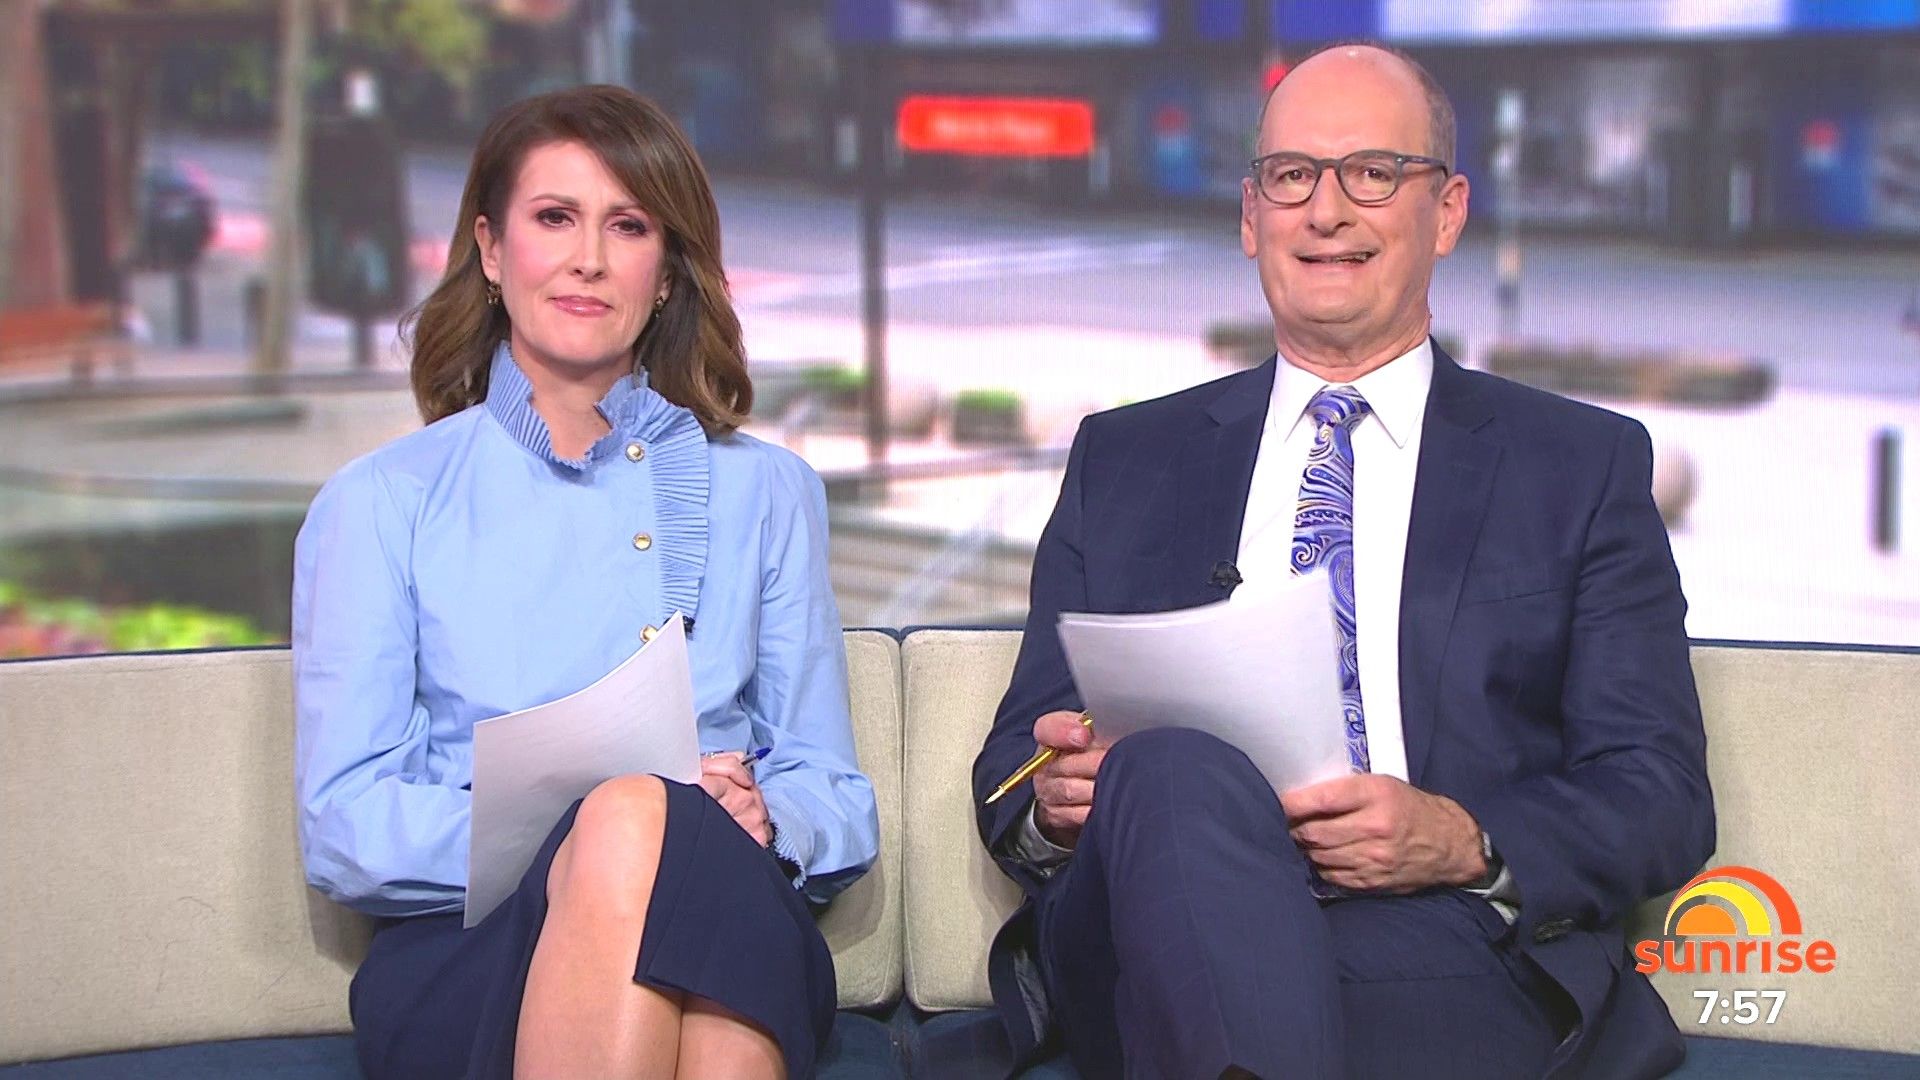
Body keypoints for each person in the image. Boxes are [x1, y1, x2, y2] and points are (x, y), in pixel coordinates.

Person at [973, 42, 1714, 1080]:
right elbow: (1014, 766)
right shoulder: (1125, 459)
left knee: (1267, 1007)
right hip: (1148, 918)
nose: (1325, 211)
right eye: (1292, 176)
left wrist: (1462, 836)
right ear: (1251, 217)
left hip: (1436, 934)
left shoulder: (1577, 465)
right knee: (1171, 763)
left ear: (1447, 212)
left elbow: (1659, 790)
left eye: (1372, 172)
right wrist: (1055, 805)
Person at [293, 85, 878, 1080]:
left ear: (667, 271)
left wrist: (771, 820)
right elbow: (344, 826)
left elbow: (836, 792)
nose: (590, 259)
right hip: (474, 946)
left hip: (730, 906)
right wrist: (590, 824)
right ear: (490, 249)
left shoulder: (770, 492)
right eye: (555, 218)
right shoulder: (381, 500)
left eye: (629, 226)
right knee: (631, 818)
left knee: (666, 843)